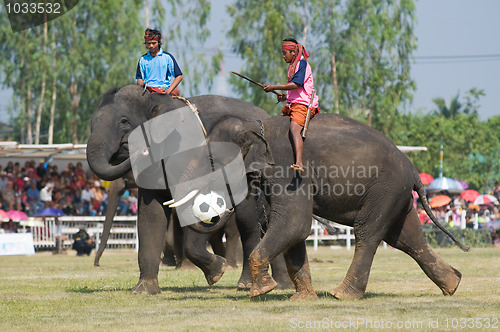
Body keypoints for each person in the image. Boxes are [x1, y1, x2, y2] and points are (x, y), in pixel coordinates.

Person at [262, 38, 320, 173]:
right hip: (294, 104)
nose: (283, 56)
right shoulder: (291, 67)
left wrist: (274, 87)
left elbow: (297, 84)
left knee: (294, 128)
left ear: (293, 52)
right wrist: (285, 97)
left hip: (303, 105)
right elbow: (295, 91)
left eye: (285, 53)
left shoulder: (303, 64)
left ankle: (299, 163)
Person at [135, 28, 183, 95]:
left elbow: (179, 76)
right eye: (148, 43)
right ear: (145, 43)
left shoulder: (167, 57)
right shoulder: (142, 59)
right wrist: (143, 85)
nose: (151, 46)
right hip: (148, 91)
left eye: (154, 43)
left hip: (163, 90)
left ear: (159, 42)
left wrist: (168, 91)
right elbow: (139, 78)